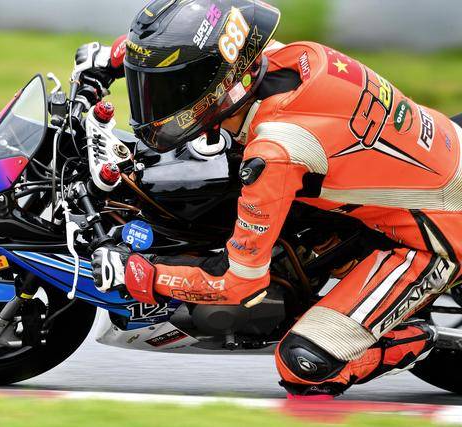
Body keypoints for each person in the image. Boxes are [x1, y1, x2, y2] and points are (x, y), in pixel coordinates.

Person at [75, 0, 462, 398]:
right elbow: (202, 54)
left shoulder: (275, 151)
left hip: (439, 235)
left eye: (168, 88)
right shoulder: (283, 57)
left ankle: (416, 340)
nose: (154, 100)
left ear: (211, 87)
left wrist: (141, 275)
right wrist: (113, 58)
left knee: (302, 363)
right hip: (438, 153)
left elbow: (238, 285)